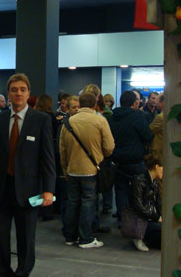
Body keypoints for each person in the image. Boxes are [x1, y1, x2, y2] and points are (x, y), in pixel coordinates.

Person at [0, 73, 55, 277]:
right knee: (0, 239)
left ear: (29, 93)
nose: (18, 93)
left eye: (22, 89)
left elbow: (48, 158)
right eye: (14, 90)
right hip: (1, 189)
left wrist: (49, 189)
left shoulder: (41, 120)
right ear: (8, 94)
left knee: (26, 240)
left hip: (29, 192)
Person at [59, 92, 115, 249]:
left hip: (72, 169)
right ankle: (86, 238)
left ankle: (70, 236)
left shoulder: (68, 122)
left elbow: (62, 150)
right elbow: (109, 147)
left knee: (72, 203)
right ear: (95, 104)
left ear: (80, 104)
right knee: (88, 203)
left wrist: (65, 169)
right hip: (91, 169)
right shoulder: (100, 121)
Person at [109, 91, 153, 222]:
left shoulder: (112, 117)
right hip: (135, 160)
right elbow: (148, 136)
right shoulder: (137, 117)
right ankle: (135, 219)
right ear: (135, 103)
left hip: (117, 160)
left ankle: (122, 217)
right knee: (137, 191)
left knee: (120, 189)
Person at [123, 155, 163, 251]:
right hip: (140, 220)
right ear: (157, 167)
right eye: (163, 168)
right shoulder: (139, 180)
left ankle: (147, 239)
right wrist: (156, 217)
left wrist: (161, 216)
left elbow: (158, 202)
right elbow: (138, 206)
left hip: (148, 217)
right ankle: (139, 236)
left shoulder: (154, 182)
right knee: (162, 230)